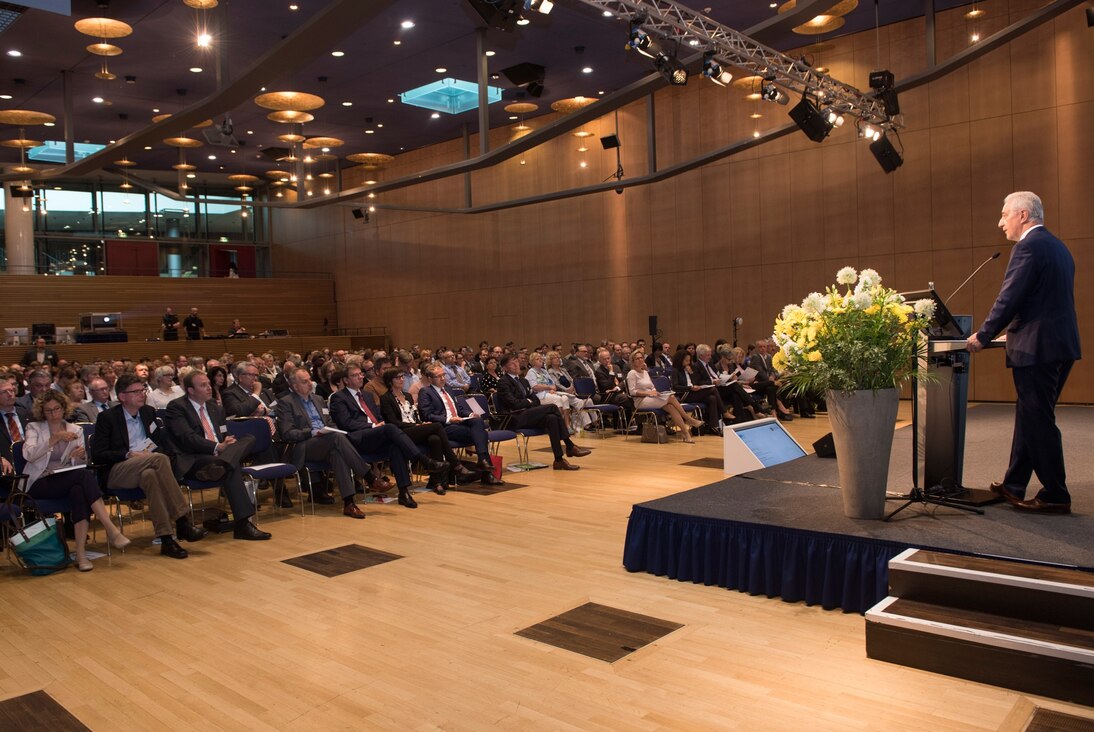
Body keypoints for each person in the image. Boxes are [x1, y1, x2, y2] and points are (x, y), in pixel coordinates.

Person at [966, 191, 1081, 514]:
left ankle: (1056, 493)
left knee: (1038, 419)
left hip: (1037, 348)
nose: (1000, 222)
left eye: (1004, 215)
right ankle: (1014, 483)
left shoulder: (1027, 247)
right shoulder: (1059, 247)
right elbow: (1042, 300)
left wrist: (984, 335)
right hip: (1059, 345)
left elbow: (1009, 298)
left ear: (1023, 215)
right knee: (1031, 415)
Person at [88, 374, 209, 559]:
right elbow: (98, 454)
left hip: (146, 465)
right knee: (159, 460)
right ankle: (182, 520)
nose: (141, 394)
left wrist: (151, 452)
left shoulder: (147, 412)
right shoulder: (108, 418)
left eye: (142, 390)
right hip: (118, 470)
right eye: (135, 392)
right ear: (122, 396)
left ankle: (167, 539)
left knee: (150, 475)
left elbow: (158, 443)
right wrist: (128, 454)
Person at [22, 391, 131, 571]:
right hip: (39, 482)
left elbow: (79, 465)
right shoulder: (34, 428)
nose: (53, 413)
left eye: (56, 409)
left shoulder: (75, 430)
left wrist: (79, 457)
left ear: (63, 408)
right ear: (42, 411)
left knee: (80, 491)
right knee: (83, 478)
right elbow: (29, 455)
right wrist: (54, 439)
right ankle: (111, 529)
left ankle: (81, 554)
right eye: (48, 410)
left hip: (66, 478)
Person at [164, 371, 269, 540]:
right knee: (232, 467)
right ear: (190, 390)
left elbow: (222, 432)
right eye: (203, 385)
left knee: (249, 439)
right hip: (194, 459)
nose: (209, 388)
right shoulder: (177, 407)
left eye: (208, 384)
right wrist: (217, 446)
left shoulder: (214, 406)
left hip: (217, 458)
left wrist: (226, 441)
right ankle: (243, 525)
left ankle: (222, 465)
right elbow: (187, 438)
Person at [328, 364, 449, 509]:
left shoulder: (366, 395)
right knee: (391, 428)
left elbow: (378, 416)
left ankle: (404, 493)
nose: (361, 377)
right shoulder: (338, 398)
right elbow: (346, 423)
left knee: (395, 445)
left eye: (361, 374)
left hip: (377, 435)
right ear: (346, 380)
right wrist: (373, 426)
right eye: (355, 375)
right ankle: (423, 460)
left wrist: (379, 424)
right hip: (357, 440)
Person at [276, 368, 373, 518]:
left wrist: (330, 430)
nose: (310, 383)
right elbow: (288, 433)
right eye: (305, 381)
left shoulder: (318, 399)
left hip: (327, 442)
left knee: (337, 453)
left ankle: (349, 503)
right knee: (336, 438)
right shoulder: (286, 403)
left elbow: (330, 423)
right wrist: (312, 432)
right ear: (295, 386)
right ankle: (369, 476)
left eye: (310, 379)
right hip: (304, 445)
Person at [379, 369, 479, 493]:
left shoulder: (408, 396)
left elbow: (414, 416)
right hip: (401, 433)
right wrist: (416, 425)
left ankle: (436, 482)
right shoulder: (386, 398)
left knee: (435, 439)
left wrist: (421, 424)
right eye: (398, 378)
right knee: (437, 426)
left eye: (402, 377)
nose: (402, 379)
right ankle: (455, 463)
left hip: (415, 428)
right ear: (390, 382)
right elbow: (392, 422)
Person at [494, 354, 589, 470]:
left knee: (552, 419)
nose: (516, 365)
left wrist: (528, 402)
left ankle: (559, 460)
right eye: (512, 364)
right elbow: (514, 404)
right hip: (514, 417)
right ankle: (569, 445)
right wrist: (528, 402)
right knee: (553, 407)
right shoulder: (503, 382)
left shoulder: (523, 381)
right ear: (505, 368)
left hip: (527, 414)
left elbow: (535, 400)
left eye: (516, 362)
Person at [415, 365, 504, 486]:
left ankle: (483, 461)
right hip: (444, 427)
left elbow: (460, 410)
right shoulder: (426, 392)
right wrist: (449, 419)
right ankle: (486, 471)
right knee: (481, 434)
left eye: (443, 375)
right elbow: (426, 415)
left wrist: (471, 413)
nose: (442, 378)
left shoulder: (449, 389)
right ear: (430, 379)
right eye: (438, 376)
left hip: (460, 422)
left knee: (477, 421)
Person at [626, 352, 702, 443]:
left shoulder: (645, 372)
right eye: (637, 358)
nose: (640, 360)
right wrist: (649, 393)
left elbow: (652, 387)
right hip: (640, 401)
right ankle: (688, 419)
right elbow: (632, 392)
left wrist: (655, 392)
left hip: (651, 398)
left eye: (641, 357)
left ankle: (686, 434)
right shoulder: (632, 373)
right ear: (633, 361)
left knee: (671, 407)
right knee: (671, 397)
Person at [671, 349, 725, 436]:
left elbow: (696, 381)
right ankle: (723, 411)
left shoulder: (690, 369)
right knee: (713, 389)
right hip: (685, 395)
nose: (688, 363)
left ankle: (714, 426)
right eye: (686, 360)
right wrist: (690, 388)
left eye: (689, 360)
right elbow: (675, 387)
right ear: (680, 360)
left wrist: (691, 373)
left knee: (712, 398)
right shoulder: (676, 370)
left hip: (694, 392)